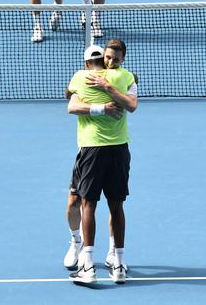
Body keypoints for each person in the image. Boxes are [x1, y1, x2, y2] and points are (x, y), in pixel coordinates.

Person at [66, 40, 137, 284]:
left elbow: (70, 101)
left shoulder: (81, 76)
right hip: (118, 150)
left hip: (93, 150)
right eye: (107, 57)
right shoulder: (127, 77)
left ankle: (88, 265)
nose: (110, 61)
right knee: (116, 207)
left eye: (114, 58)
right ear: (104, 58)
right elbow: (132, 105)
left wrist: (102, 87)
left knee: (89, 205)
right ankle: (118, 262)